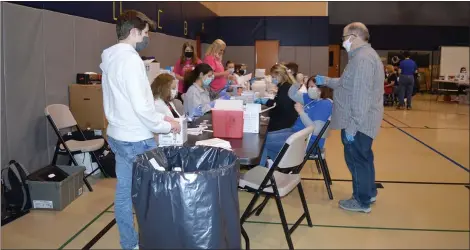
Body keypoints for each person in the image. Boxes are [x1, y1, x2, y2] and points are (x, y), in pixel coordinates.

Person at [99, 10, 181, 250]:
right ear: (134, 32)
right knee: (155, 194)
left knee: (124, 194)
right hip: (138, 141)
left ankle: (129, 244)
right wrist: (167, 124)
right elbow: (141, 109)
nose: (147, 38)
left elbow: (128, 103)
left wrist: (159, 115)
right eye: (145, 33)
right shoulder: (131, 60)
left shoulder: (110, 58)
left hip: (118, 135)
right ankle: (157, 241)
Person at [314, 22, 384, 213]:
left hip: (359, 122)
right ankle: (368, 192)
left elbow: (361, 97)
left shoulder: (362, 59)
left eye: (344, 38)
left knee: (357, 160)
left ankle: (361, 201)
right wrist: (326, 81)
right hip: (363, 120)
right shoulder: (362, 57)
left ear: (353, 37)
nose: (343, 41)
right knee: (365, 158)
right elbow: (348, 83)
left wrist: (353, 127)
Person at [259, 76, 333, 167]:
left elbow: (316, 130)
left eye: (312, 87)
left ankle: (268, 171)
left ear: (322, 88)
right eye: (308, 86)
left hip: (307, 141)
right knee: (262, 139)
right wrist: (298, 82)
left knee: (261, 145)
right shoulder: (312, 99)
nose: (309, 89)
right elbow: (292, 94)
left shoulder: (325, 104)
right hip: (296, 133)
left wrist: (301, 112)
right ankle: (276, 166)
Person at [254, 64, 298, 132]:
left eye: (273, 77)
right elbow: (279, 102)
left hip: (283, 125)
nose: (272, 79)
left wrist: (267, 102)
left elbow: (280, 106)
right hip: (286, 121)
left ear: (279, 75)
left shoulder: (285, 88)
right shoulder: (285, 86)